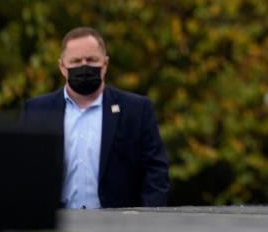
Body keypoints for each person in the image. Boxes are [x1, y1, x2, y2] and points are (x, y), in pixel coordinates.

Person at [24, 27, 169, 209]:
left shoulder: (136, 110)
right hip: (58, 223)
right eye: (76, 61)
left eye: (91, 60)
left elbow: (155, 171)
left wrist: (148, 221)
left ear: (105, 64)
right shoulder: (38, 110)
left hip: (120, 225)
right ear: (62, 67)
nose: (84, 66)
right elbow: (25, 172)